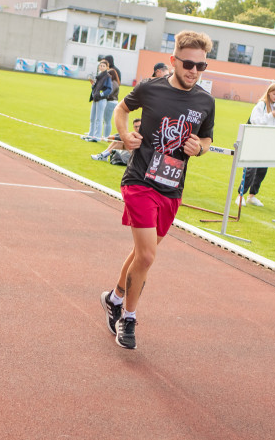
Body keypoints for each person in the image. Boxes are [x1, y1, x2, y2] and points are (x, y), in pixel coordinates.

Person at [100, 30, 215, 350]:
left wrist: (200, 148)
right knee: (148, 254)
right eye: (188, 64)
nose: (193, 71)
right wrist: (124, 134)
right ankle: (129, 317)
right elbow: (121, 109)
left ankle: (113, 298)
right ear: (174, 60)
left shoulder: (206, 101)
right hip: (139, 180)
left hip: (171, 188)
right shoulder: (150, 89)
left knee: (142, 254)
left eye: (200, 66)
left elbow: (207, 138)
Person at [236, 81, 275, 208]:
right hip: (255, 140)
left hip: (268, 142)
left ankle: (252, 195)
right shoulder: (261, 105)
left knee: (262, 170)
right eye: (274, 94)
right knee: (250, 169)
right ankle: (240, 195)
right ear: (269, 93)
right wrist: (270, 115)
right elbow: (255, 121)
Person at [82, 59, 112, 141]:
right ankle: (90, 134)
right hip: (95, 98)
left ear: (107, 67)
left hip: (101, 100)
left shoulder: (107, 77)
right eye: (100, 65)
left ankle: (97, 137)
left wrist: (101, 94)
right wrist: (93, 85)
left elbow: (109, 89)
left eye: (103, 66)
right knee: (92, 118)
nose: (101, 67)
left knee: (99, 119)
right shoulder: (99, 75)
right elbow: (96, 87)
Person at [102, 67, 121, 138]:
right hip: (112, 102)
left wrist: (102, 95)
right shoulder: (114, 82)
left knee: (107, 120)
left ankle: (106, 136)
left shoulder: (113, 83)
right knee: (106, 120)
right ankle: (105, 136)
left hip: (111, 102)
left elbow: (109, 93)